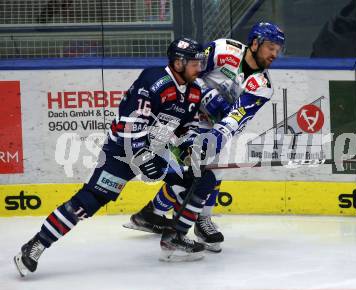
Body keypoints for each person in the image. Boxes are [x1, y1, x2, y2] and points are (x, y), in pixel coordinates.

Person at [14, 37, 217, 277]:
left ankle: (175, 238)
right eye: (195, 63)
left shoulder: (194, 90)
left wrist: (189, 147)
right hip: (122, 153)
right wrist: (143, 158)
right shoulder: (154, 82)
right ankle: (36, 244)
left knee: (202, 180)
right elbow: (129, 125)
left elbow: (184, 126)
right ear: (178, 62)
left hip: (157, 151)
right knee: (89, 201)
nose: (200, 68)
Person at [125, 22, 285, 253]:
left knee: (211, 168)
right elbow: (190, 73)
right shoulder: (223, 49)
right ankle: (165, 216)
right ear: (255, 42)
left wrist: (215, 138)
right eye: (271, 47)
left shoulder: (263, 86)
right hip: (186, 113)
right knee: (191, 171)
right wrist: (201, 96)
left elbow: (237, 117)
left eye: (278, 50)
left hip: (216, 125)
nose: (274, 54)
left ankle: (173, 215)